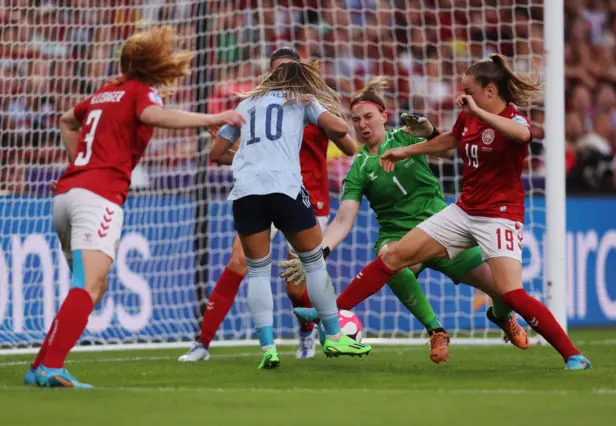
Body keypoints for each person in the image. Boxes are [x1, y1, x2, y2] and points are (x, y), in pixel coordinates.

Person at [295, 55, 592, 370]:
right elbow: (452, 140)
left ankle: (571, 354)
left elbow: (522, 135)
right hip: (463, 211)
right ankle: (331, 311)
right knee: (391, 257)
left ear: (490, 91)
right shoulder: (467, 117)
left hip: (500, 216)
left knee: (509, 292)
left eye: (468, 90)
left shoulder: (512, 118)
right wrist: (408, 149)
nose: (462, 96)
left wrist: (475, 113)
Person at [23, 26, 246, 388]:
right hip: (98, 195)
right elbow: (154, 117)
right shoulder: (140, 93)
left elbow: (67, 119)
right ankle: (51, 367)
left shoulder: (104, 92)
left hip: (66, 195)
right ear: (154, 65)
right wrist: (213, 118)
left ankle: (40, 367)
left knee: (91, 287)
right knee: (89, 286)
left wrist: (77, 165)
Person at [281, 77, 529, 364]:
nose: (362, 124)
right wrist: (316, 255)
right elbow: (342, 221)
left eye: (368, 117)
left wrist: (431, 131)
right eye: (356, 119)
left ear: (384, 116)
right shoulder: (359, 168)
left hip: (444, 232)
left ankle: (502, 316)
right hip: (398, 237)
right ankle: (436, 330)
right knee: (389, 256)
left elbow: (449, 151)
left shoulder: (405, 137)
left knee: (502, 287)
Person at [178, 48, 357, 362]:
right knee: (239, 263)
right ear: (270, 73)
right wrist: (247, 157)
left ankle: (303, 335)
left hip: (307, 194)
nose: (282, 74)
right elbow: (230, 153)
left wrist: (325, 114)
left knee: (293, 283)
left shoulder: (308, 101)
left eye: (287, 68)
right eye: (276, 69)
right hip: (273, 188)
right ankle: (202, 343)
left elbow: (348, 144)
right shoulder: (267, 104)